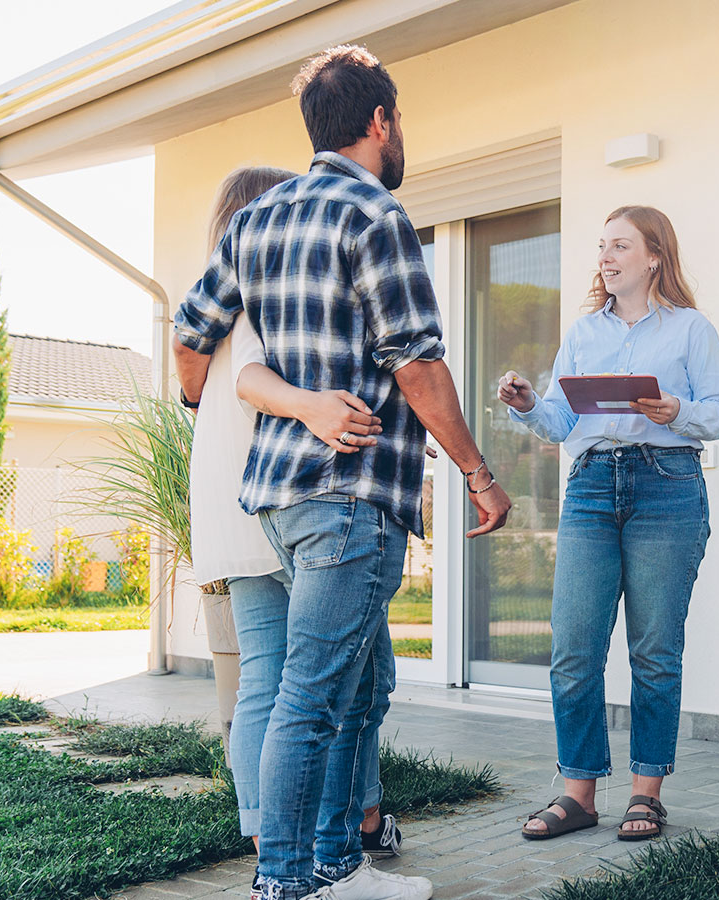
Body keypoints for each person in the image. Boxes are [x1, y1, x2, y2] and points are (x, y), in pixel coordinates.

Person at [171, 44, 510, 900]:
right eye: (399, 123)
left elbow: (191, 333)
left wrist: (193, 401)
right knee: (312, 698)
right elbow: (418, 366)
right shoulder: (373, 214)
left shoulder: (258, 220)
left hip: (279, 495)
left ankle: (335, 867)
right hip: (350, 495)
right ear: (380, 122)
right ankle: (286, 881)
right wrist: (475, 469)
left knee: (343, 688)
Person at [185, 165, 404, 867]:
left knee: (270, 681)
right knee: (336, 686)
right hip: (286, 500)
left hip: (235, 509)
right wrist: (313, 404)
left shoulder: (212, 305)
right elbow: (253, 382)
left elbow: (191, 384)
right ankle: (326, 838)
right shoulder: (264, 300)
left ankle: (270, 834)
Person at [498, 206, 719, 842]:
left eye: (621, 246)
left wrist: (675, 410)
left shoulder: (691, 330)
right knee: (574, 649)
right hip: (593, 488)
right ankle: (579, 794)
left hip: (668, 487)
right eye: (602, 246)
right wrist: (528, 406)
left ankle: (646, 794)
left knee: (654, 651)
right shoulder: (581, 333)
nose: (605, 256)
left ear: (654, 256)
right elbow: (561, 421)